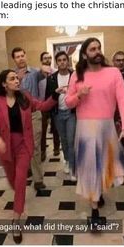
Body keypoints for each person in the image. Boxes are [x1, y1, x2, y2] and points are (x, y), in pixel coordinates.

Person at [65, 38, 124, 226]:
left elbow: (123, 101)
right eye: (92, 49)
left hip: (107, 127)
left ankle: (98, 192)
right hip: (85, 129)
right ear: (85, 54)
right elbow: (68, 102)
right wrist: (79, 95)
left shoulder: (113, 73)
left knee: (105, 167)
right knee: (90, 169)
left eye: (98, 48)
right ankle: (94, 211)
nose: (97, 51)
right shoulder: (77, 76)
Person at [0, 69, 58, 243]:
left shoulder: (25, 97)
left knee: (20, 181)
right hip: (5, 146)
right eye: (12, 79)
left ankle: (16, 220)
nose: (17, 81)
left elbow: (42, 106)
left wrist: (55, 96)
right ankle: (19, 200)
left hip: (23, 146)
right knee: (13, 181)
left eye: (17, 78)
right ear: (4, 84)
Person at [12, 47, 51, 190]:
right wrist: (18, 80)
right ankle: (28, 168)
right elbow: (7, 95)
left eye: (22, 55)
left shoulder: (34, 72)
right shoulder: (11, 75)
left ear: (26, 56)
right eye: (17, 56)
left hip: (34, 114)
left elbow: (43, 74)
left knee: (34, 146)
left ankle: (38, 180)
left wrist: (44, 70)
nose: (21, 58)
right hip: (17, 116)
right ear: (14, 59)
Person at [46, 51, 76, 181]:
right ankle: (68, 161)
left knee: (71, 139)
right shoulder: (51, 78)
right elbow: (49, 96)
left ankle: (74, 166)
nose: (62, 62)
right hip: (58, 114)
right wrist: (56, 92)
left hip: (71, 113)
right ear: (56, 62)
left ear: (67, 61)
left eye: (64, 59)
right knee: (63, 139)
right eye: (60, 60)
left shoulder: (74, 76)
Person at [38, 52, 60, 161]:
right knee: (42, 129)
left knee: (56, 127)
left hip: (54, 103)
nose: (47, 60)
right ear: (41, 60)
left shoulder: (56, 73)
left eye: (49, 58)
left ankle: (56, 148)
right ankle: (42, 151)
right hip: (42, 104)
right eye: (45, 58)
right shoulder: (38, 74)